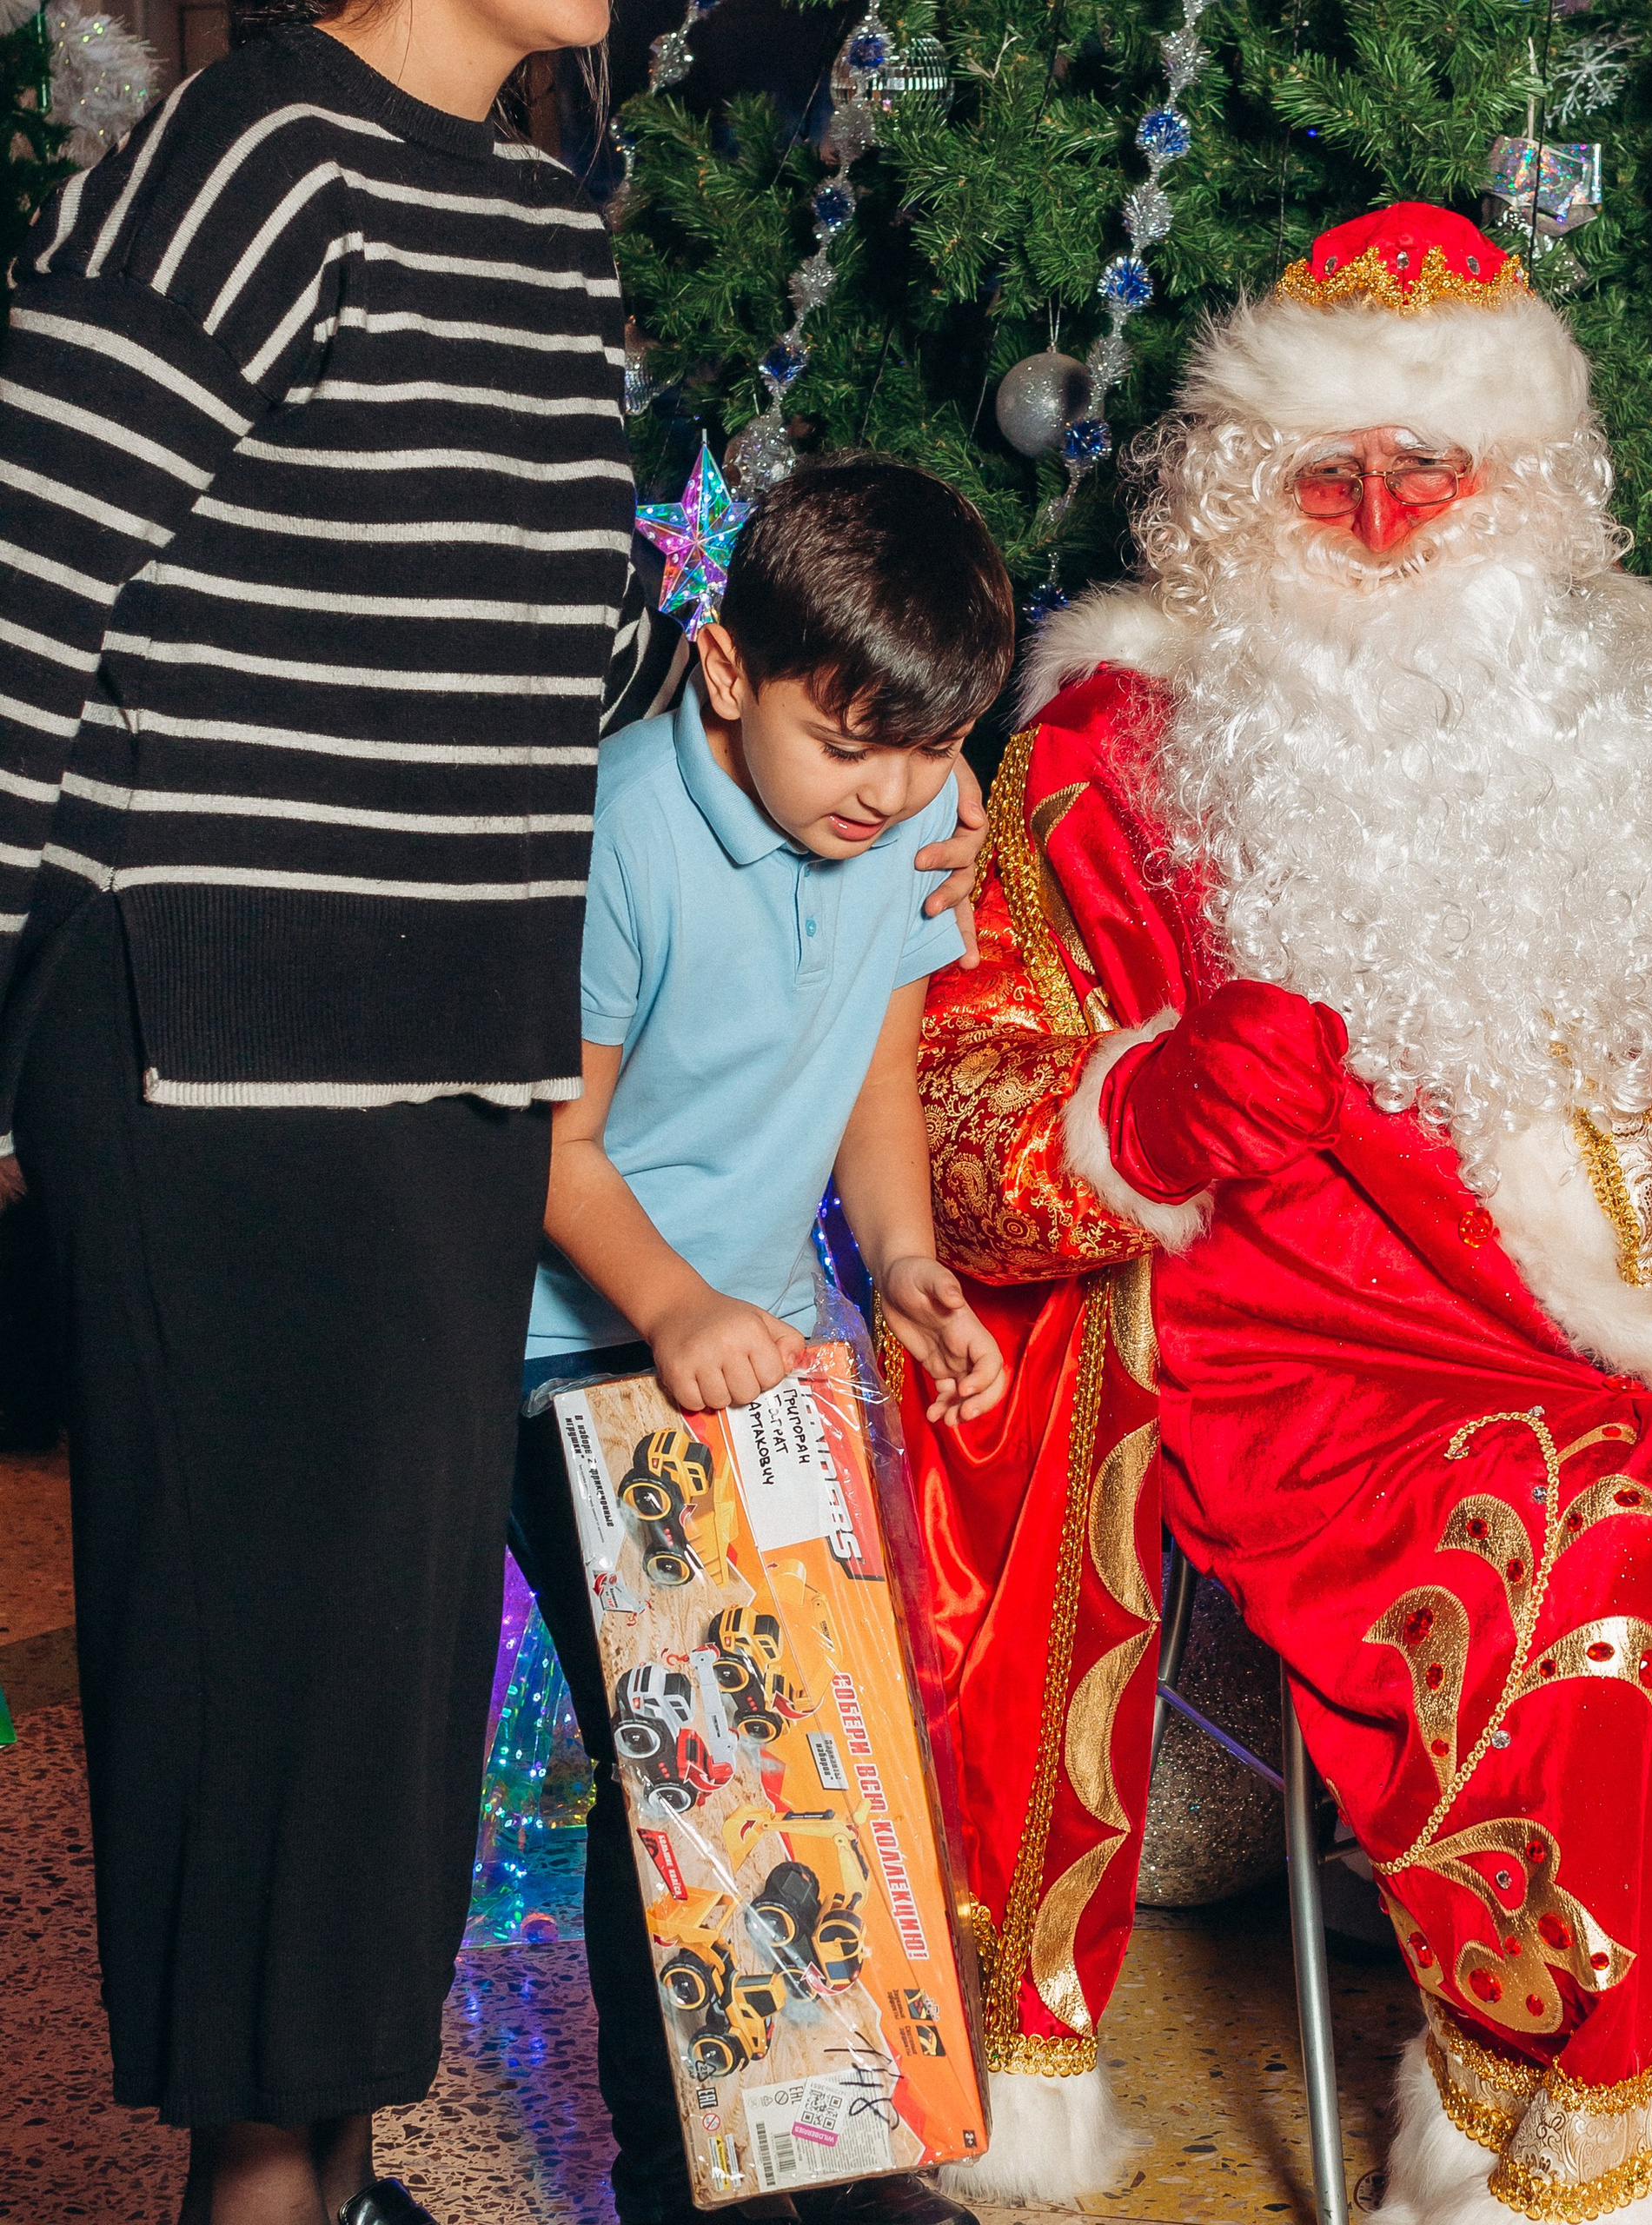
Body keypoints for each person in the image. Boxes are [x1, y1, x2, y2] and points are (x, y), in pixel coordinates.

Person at [897, 203, 1652, 2225]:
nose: (1376, 518)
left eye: (1425, 470)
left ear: (1521, 480)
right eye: (1326, 472)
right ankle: (1582, 2151)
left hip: (1637, 1298)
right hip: (1300, 1342)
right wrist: (1147, 1103)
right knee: (1634, 1545)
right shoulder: (1111, 747)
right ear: (1231, 491)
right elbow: (958, 1102)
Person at [0, 13, 982, 2225]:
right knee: (272, 1733)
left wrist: (908, 766)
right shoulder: (245, 155)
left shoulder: (539, 216)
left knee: (373, 1739)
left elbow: (580, 637)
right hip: (219, 1054)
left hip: (458, 1058)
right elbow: (21, 587)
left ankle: (332, 2190)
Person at [511, 457, 1011, 2225]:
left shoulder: (900, 819)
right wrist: (668, 1309)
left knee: (815, 1739)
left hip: (763, 1347)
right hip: (578, 1354)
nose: (884, 792)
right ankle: (690, 2177)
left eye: (932, 747)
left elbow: (875, 1061)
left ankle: (846, 2141)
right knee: (689, 1766)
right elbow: (551, 1142)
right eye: (848, 740)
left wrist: (898, 1261)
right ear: (726, 669)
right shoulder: (623, 831)